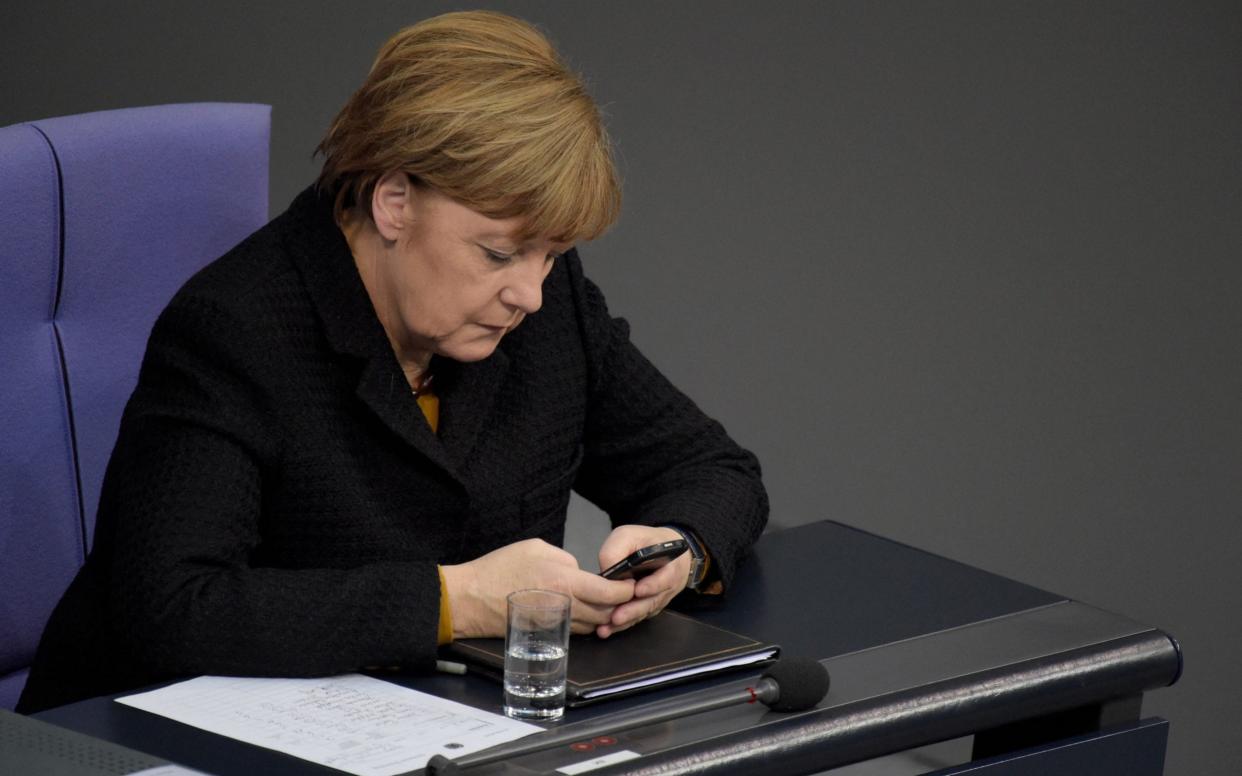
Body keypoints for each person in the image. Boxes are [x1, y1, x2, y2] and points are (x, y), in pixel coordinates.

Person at [17, 10, 767, 714]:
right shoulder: (234, 328)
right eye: (500, 253)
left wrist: (679, 549)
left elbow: (713, 469)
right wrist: (458, 600)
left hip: (433, 728)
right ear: (394, 202)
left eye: (554, 255)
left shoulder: (544, 305)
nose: (530, 293)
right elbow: (175, 609)